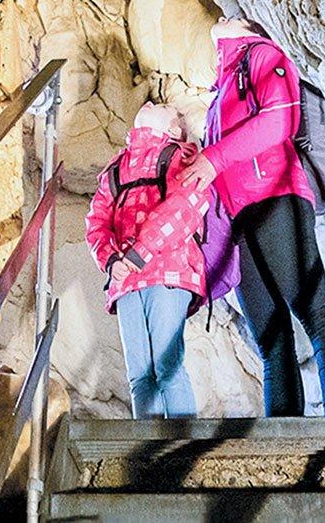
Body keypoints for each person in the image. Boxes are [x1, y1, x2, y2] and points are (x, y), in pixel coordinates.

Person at [180, 15, 325, 417]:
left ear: (250, 29)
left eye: (234, 17)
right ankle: (286, 432)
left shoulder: (262, 55)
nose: (223, 16)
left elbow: (280, 120)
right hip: (238, 220)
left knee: (316, 311)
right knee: (270, 334)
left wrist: (214, 157)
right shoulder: (221, 93)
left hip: (276, 197)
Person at [84, 102, 215, 418]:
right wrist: (111, 260)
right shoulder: (116, 170)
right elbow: (96, 220)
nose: (152, 102)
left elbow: (187, 206)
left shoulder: (182, 159)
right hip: (126, 278)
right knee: (140, 376)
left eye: (166, 107)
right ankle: (148, 455)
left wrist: (138, 253)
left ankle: (184, 449)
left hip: (168, 272)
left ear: (173, 129)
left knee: (167, 367)